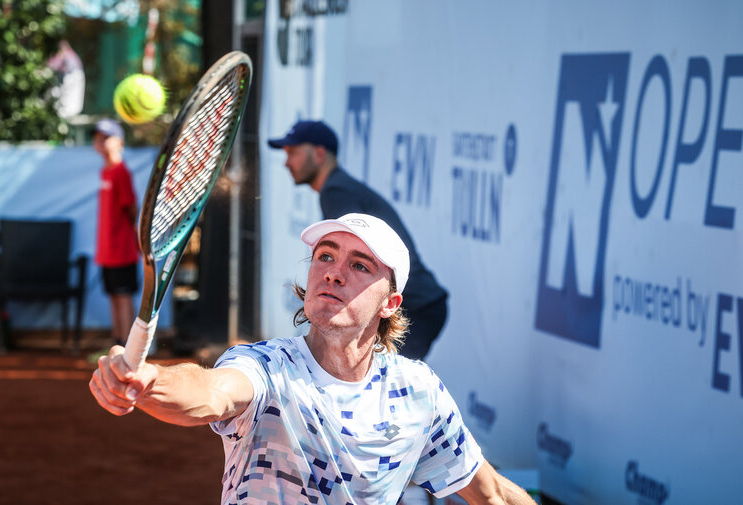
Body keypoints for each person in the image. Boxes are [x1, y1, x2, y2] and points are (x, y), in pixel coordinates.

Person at [89, 213, 536, 505]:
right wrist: (149, 381)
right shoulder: (267, 368)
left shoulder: (417, 391)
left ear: (390, 303)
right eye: (325, 255)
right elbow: (209, 394)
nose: (334, 270)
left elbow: (491, 494)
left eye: (360, 265)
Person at [268, 120, 448, 361]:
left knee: (374, 387)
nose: (287, 162)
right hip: (413, 304)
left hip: (415, 308)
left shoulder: (336, 191)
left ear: (320, 153)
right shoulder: (338, 188)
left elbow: (347, 268)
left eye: (293, 152)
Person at [92, 119, 140, 347]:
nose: (100, 141)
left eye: (106, 137)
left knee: (123, 297)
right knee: (114, 296)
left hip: (122, 250)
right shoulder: (106, 171)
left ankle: (127, 349)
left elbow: (132, 208)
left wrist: (132, 236)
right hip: (107, 251)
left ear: (119, 142)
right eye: (97, 137)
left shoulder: (121, 172)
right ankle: (117, 344)